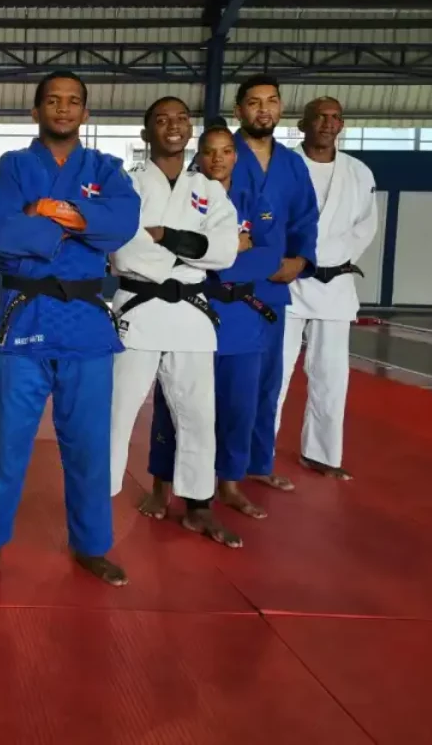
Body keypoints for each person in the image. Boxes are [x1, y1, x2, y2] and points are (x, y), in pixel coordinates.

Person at [0, 71, 141, 587]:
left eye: (73, 101)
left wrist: (46, 211)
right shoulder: (13, 166)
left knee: (89, 444)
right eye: (53, 101)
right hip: (25, 314)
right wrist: (85, 224)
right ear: (35, 110)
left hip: (85, 322)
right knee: (4, 440)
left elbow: (123, 223)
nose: (63, 109)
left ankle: (92, 544)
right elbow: (3, 230)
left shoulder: (106, 168)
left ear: (85, 112)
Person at [110, 98, 240, 547]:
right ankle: (98, 503)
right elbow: (125, 249)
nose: (174, 126)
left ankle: (198, 505)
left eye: (182, 119)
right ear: (146, 133)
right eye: (162, 120)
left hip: (191, 314)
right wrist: (191, 250)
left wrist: (165, 236)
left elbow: (225, 250)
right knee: (117, 411)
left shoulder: (210, 189)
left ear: (190, 131)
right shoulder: (127, 185)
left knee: (199, 415)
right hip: (138, 308)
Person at [148, 120, 285, 521]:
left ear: (236, 156)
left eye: (226, 151)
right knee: (173, 403)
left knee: (239, 406)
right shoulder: (182, 196)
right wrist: (226, 249)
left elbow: (269, 255)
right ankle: (161, 484)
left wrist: (216, 258)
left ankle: (229, 483)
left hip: (240, 318)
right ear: (199, 155)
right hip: (188, 309)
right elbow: (166, 250)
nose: (218, 159)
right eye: (209, 151)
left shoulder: (254, 200)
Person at [274, 97, 377, 480]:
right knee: (275, 372)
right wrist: (290, 260)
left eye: (335, 117)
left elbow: (366, 226)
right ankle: (258, 453)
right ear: (303, 124)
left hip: (335, 283)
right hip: (287, 282)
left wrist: (327, 260)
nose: (328, 123)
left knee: (331, 375)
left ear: (342, 124)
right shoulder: (283, 165)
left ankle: (322, 454)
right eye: (320, 117)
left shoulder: (358, 172)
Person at [231, 75, 319, 493]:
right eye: (254, 102)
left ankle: (257, 462)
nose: (263, 109)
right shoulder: (220, 153)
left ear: (280, 108)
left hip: (273, 288)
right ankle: (220, 465)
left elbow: (305, 218)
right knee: (228, 382)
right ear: (239, 110)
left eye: (271, 101)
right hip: (228, 286)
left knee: (268, 380)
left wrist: (300, 260)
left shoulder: (292, 164)